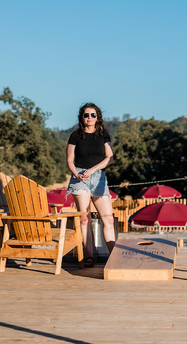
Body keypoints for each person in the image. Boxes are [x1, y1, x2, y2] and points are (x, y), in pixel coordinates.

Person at [66, 102, 115, 267]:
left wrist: (93, 169)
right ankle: (89, 256)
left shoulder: (103, 135)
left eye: (93, 115)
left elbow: (110, 158)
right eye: (86, 115)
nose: (89, 117)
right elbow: (69, 160)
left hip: (99, 177)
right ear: (81, 117)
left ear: (97, 117)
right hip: (80, 178)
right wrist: (76, 174)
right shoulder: (75, 135)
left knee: (108, 219)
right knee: (84, 218)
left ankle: (114, 256)